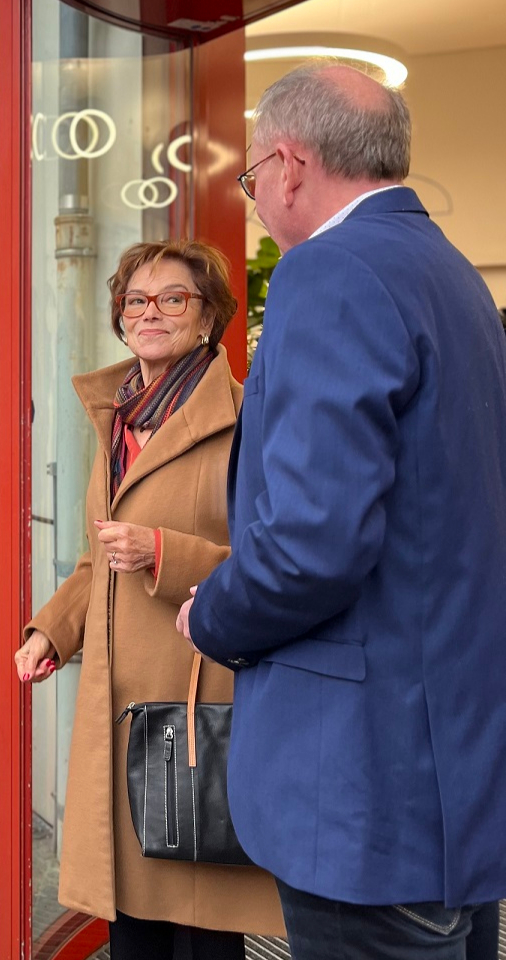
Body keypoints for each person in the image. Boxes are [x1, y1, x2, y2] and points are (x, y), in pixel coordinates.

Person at [178, 63, 506, 959]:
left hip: (364, 791)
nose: (252, 203)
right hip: (449, 787)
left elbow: (307, 546)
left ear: (288, 164)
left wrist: (212, 612)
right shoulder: (450, 273)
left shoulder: (328, 271)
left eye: (248, 180)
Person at [15, 240, 285, 959]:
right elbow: (96, 557)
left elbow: (282, 560)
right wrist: (51, 631)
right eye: (135, 300)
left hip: (193, 702)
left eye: (173, 298)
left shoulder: (245, 417)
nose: (149, 312)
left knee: (199, 929)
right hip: (118, 703)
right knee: (131, 925)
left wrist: (166, 554)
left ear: (208, 319)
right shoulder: (116, 419)